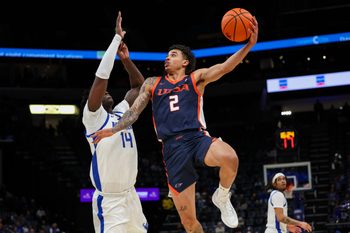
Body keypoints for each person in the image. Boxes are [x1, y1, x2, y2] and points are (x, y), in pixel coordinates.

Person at [91, 16, 259, 232]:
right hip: (172, 148)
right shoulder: (153, 84)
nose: (167, 59)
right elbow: (133, 113)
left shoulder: (196, 78)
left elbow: (226, 67)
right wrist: (112, 130)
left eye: (173, 55)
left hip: (196, 137)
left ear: (185, 62)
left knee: (230, 157)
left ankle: (222, 196)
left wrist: (249, 45)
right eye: (167, 55)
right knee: (190, 224)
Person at [82, 11, 148, 233]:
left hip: (131, 197)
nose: (107, 93)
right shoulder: (93, 119)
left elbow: (140, 88)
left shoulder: (120, 111)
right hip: (109, 203)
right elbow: (101, 77)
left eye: (108, 91)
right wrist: (116, 39)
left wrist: (126, 60)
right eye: (103, 93)